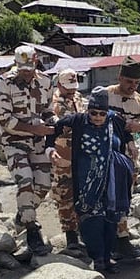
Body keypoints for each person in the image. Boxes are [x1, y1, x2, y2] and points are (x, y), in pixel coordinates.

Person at [45, 86, 137, 273]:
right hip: (86, 182)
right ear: (88, 111)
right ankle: (98, 259)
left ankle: (107, 257)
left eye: (101, 114)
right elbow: (53, 130)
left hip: (111, 180)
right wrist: (50, 149)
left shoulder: (114, 119)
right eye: (93, 113)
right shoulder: (77, 121)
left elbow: (126, 131)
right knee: (91, 220)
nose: (97, 117)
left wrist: (131, 144)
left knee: (110, 218)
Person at [0, 45, 55, 256]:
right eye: (22, 68)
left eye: (29, 67)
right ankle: (32, 230)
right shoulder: (4, 83)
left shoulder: (46, 81)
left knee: (44, 184)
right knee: (25, 181)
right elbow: (4, 119)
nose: (26, 72)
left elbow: (47, 110)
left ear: (36, 61)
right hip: (14, 141)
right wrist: (33, 128)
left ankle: (22, 215)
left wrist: (54, 125)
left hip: (39, 142)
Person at [106, 56, 140, 259]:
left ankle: (121, 237)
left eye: (136, 83)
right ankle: (115, 238)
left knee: (125, 196)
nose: (132, 86)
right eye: (128, 82)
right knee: (106, 196)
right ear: (120, 77)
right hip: (105, 155)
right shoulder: (106, 95)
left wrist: (139, 128)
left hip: (129, 157)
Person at [49, 68, 87, 256]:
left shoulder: (77, 97)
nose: (72, 91)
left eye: (74, 88)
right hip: (63, 154)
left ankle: (81, 230)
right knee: (64, 194)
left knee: (81, 192)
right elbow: (61, 125)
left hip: (80, 154)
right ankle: (71, 236)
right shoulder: (54, 102)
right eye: (68, 88)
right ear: (59, 85)